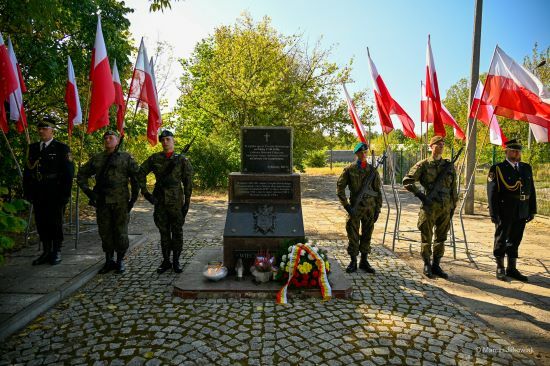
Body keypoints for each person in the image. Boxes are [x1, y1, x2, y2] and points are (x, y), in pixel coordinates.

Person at [77, 130, 139, 274]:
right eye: (105, 138)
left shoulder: (126, 157)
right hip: (102, 201)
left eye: (111, 138)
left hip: (121, 201)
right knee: (105, 231)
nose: (108, 140)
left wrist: (133, 199)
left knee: (121, 232)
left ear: (117, 141)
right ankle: (108, 260)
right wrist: (89, 193)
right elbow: (81, 174)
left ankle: (120, 260)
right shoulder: (98, 158)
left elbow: (136, 178)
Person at [403, 135, 458, 279]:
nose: (441, 146)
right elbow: (407, 181)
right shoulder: (423, 165)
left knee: (441, 238)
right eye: (438, 144)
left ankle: (436, 264)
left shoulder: (449, 166)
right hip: (429, 206)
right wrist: (421, 196)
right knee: (426, 237)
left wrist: (453, 206)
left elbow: (453, 188)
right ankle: (427, 263)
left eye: (442, 144)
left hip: (445, 207)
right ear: (431, 146)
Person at [138, 130, 193, 274]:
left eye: (168, 139)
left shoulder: (182, 160)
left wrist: (187, 202)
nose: (165, 142)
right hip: (160, 201)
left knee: (177, 232)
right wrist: (145, 192)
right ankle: (166, 261)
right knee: (164, 232)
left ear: (173, 141)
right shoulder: (154, 158)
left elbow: (188, 182)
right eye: (162, 140)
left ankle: (176, 261)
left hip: (176, 201)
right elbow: (140, 172)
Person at [24, 117, 74, 265]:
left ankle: (56, 251)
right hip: (38, 191)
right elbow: (28, 171)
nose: (41, 131)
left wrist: (65, 194)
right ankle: (46, 251)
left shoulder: (61, 148)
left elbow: (68, 173)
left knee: (55, 222)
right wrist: (27, 192)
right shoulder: (33, 148)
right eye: (39, 129)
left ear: (53, 130)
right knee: (41, 222)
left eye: (45, 128)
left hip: (55, 191)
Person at [487, 139, 536, 282]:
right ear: (506, 151)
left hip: (522, 209)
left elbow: (531, 189)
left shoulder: (526, 168)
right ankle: (500, 267)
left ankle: (512, 268)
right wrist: (493, 213)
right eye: (513, 150)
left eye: (518, 151)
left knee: (516, 239)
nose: (516, 153)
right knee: (501, 238)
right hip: (505, 209)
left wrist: (532, 209)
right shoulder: (497, 168)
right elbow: (492, 192)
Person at [337, 142, 382, 274]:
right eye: (361, 152)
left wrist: (378, 209)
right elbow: (340, 190)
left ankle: (364, 261)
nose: (363, 154)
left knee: (367, 235)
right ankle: (353, 261)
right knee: (353, 235)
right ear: (356, 154)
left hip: (370, 209)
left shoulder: (372, 171)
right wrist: (347, 206)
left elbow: (378, 192)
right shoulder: (349, 170)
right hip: (355, 208)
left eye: (365, 152)